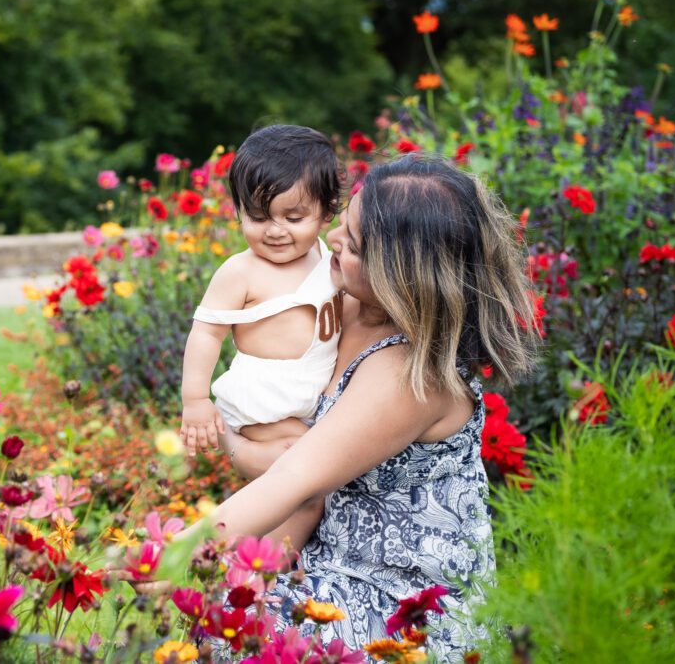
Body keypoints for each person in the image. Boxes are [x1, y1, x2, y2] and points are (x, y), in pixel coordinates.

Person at [189, 153, 539, 658]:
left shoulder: (410, 375)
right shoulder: (345, 303)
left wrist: (174, 551)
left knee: (233, 622)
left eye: (351, 244)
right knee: (223, 601)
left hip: (399, 602)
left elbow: (296, 475)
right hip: (324, 548)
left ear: (400, 277)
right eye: (343, 226)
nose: (331, 240)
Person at [179, 124, 343, 553]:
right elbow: (206, 333)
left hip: (309, 391)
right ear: (238, 211)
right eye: (258, 216)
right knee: (305, 479)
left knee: (307, 489)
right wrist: (195, 401)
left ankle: (272, 562)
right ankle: (263, 571)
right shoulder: (241, 271)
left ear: (327, 213)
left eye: (293, 217)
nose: (275, 231)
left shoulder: (328, 258)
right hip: (266, 397)